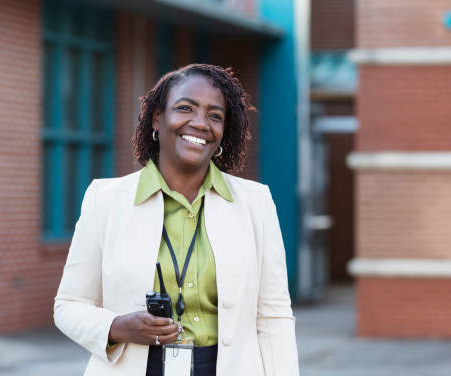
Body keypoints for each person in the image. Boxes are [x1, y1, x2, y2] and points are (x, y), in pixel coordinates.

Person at [54, 64, 299, 375]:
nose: (200, 123)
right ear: (158, 117)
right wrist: (117, 326)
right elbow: (68, 306)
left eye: (215, 115)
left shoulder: (256, 203)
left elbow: (273, 315)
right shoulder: (105, 200)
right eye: (185, 108)